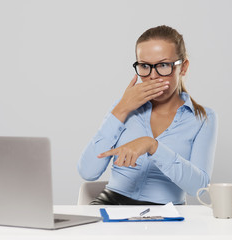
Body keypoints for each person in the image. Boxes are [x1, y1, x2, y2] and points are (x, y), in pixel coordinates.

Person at [78, 25, 218, 205]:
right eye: (144, 66)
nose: (153, 76)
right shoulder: (123, 108)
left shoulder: (203, 118)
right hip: (111, 204)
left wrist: (152, 146)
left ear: (183, 68)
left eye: (163, 65)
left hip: (165, 212)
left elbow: (198, 187)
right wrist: (121, 109)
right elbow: (88, 172)